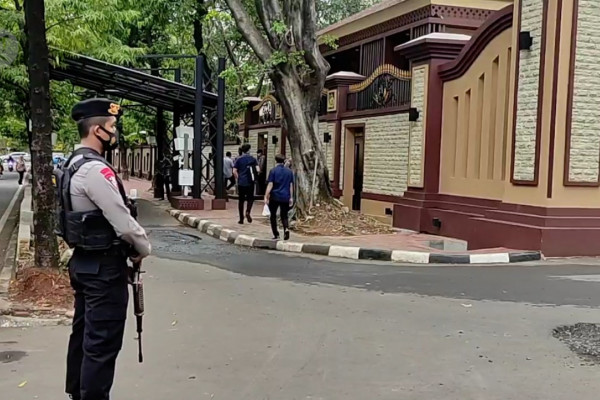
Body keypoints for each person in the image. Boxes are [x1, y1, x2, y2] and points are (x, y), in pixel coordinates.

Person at [58, 98, 151, 400]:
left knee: (84, 336)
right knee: (101, 345)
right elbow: (123, 222)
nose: (115, 133)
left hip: (84, 262)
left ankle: (77, 394)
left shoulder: (71, 164)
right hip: (104, 269)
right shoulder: (95, 170)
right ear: (97, 130)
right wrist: (143, 247)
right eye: (112, 126)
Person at [265, 154, 294, 240]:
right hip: (285, 196)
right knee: (284, 215)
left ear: (276, 161)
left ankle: (276, 234)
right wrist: (291, 197)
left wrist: (266, 195)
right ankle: (286, 229)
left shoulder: (273, 171)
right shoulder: (289, 172)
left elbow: (270, 184)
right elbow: (291, 185)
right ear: (284, 161)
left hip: (275, 196)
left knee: (273, 215)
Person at [233, 143, 258, 224]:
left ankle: (241, 219)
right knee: (250, 199)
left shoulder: (239, 159)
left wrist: (238, 178)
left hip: (241, 182)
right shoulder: (253, 159)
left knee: (241, 200)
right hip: (250, 181)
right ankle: (248, 212)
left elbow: (234, 171)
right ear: (249, 150)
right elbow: (258, 169)